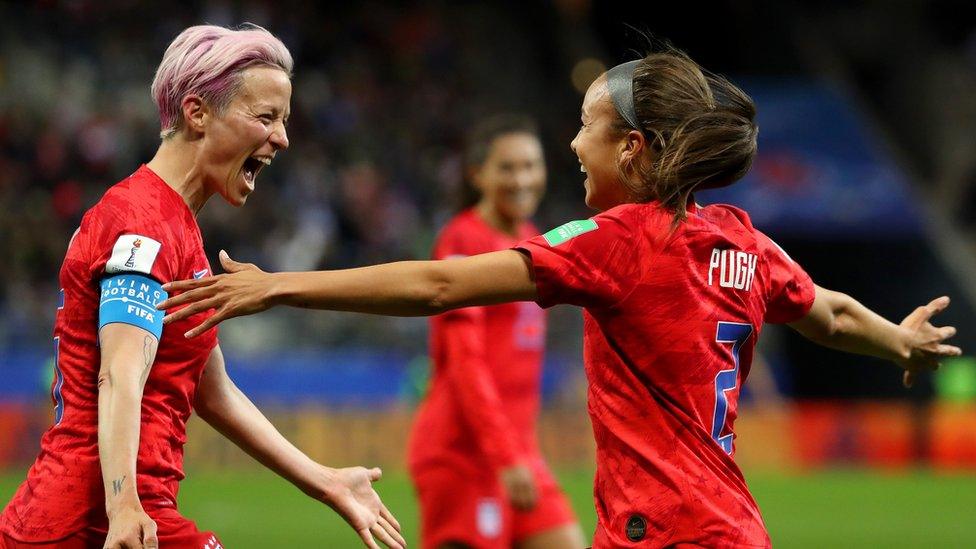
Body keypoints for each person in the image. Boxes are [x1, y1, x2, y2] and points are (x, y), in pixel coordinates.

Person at [159, 47, 961, 548]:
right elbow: (831, 312)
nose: (572, 145)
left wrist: (277, 286)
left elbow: (442, 286)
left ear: (633, 150)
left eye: (585, 127)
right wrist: (897, 338)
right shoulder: (743, 242)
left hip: (661, 531)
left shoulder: (616, 241)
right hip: (736, 528)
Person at [0, 24, 404, 549]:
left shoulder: (176, 226)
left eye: (283, 120)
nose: (282, 138)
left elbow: (214, 393)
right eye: (266, 118)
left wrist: (325, 481)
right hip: (97, 520)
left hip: (117, 513)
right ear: (197, 113)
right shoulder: (143, 224)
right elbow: (120, 374)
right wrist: (123, 504)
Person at [409, 115, 584, 549]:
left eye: (531, 166)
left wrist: (516, 453)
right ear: (477, 174)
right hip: (463, 455)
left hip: (520, 453)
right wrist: (503, 457)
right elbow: (466, 362)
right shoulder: (463, 240)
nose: (521, 179)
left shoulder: (533, 241)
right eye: (507, 167)